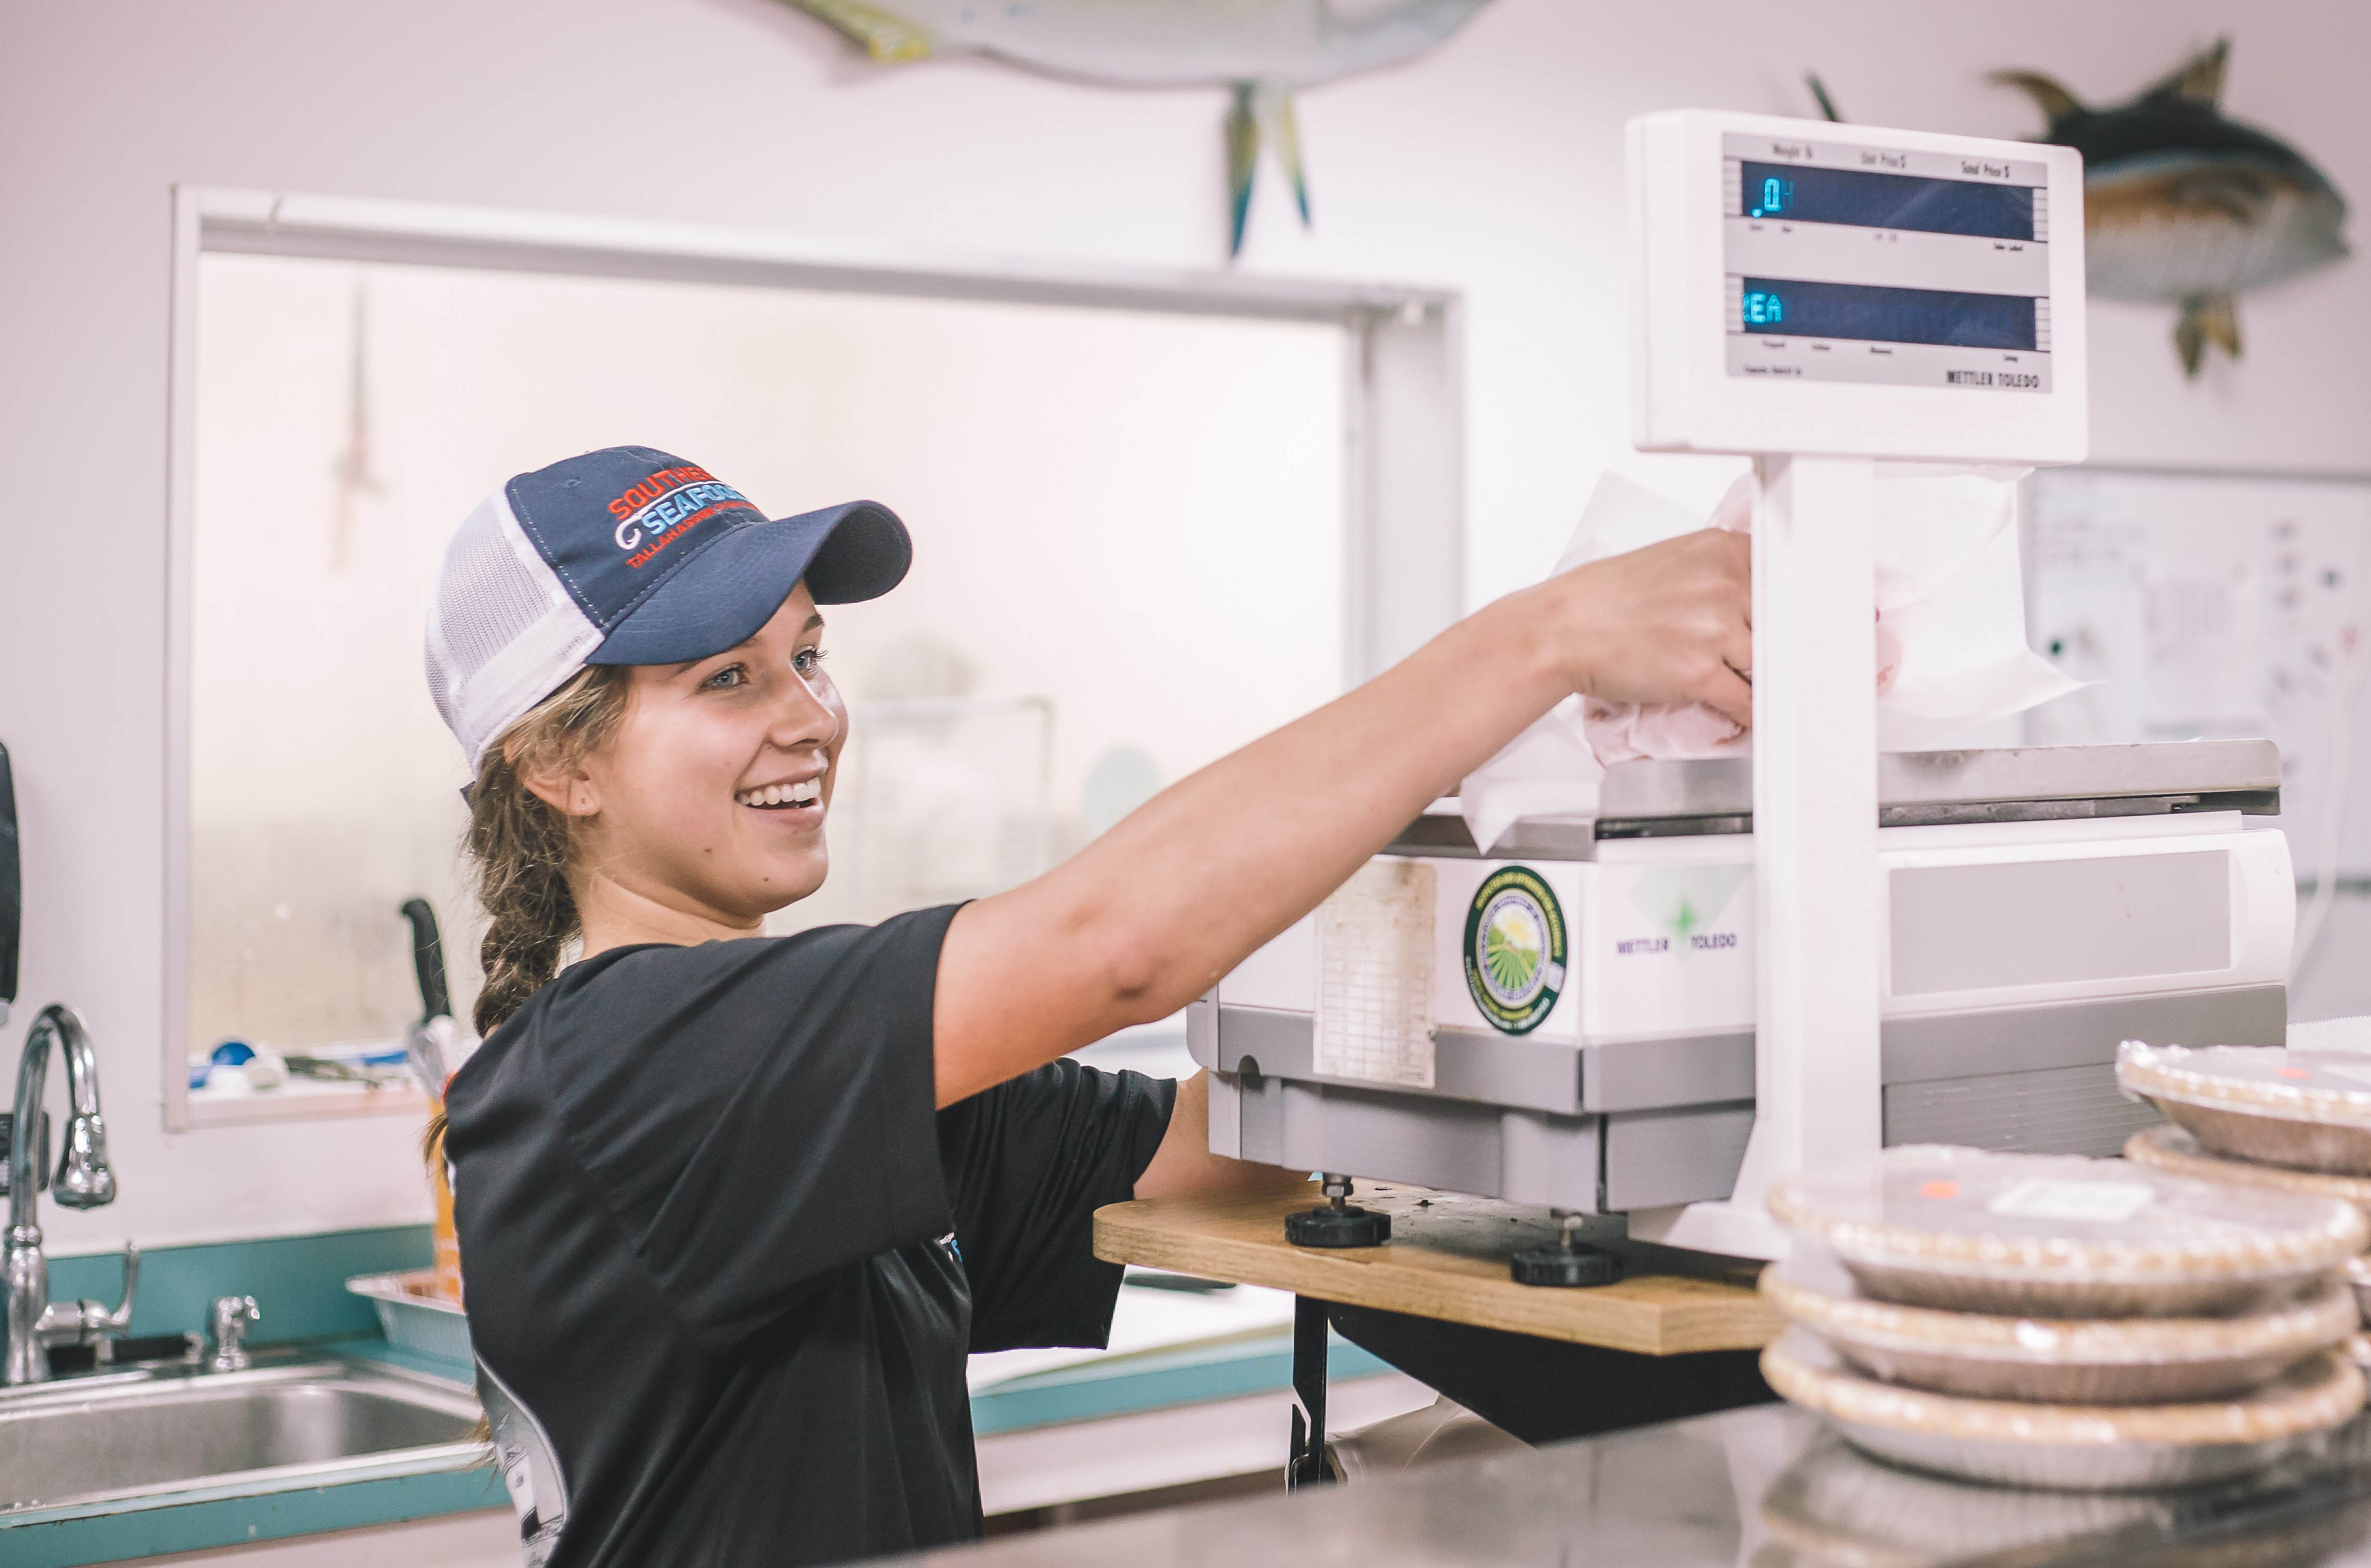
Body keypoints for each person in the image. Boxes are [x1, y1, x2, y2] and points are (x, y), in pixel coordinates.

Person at [429, 446, 1751, 1568]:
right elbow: (1116, 946)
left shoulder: (799, 1087)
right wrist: (1540, 639)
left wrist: (1582, 925)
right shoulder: (620, 1061)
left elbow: (1228, 1143)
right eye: (729, 679)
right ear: (556, 762)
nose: (811, 718)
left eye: (809, 656)